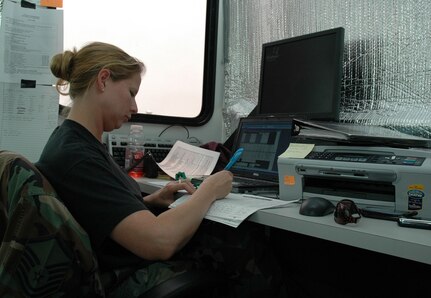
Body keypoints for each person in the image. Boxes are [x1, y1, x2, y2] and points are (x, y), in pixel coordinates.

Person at [37, 42, 285, 297]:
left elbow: (99, 211)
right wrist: (209, 190)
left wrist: (151, 201)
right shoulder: (78, 157)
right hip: (125, 273)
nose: (134, 107)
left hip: (121, 256)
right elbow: (159, 242)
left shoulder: (74, 141)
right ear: (103, 79)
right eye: (131, 93)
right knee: (241, 241)